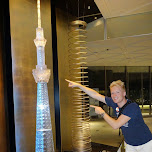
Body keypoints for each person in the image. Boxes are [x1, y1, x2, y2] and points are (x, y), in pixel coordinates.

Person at [65, 79, 152, 152]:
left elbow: (116, 125)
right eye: (112, 93)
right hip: (130, 144)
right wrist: (79, 85)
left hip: (145, 144)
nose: (114, 96)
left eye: (117, 92)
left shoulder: (132, 107)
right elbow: (95, 95)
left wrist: (102, 113)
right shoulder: (114, 103)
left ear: (124, 93)